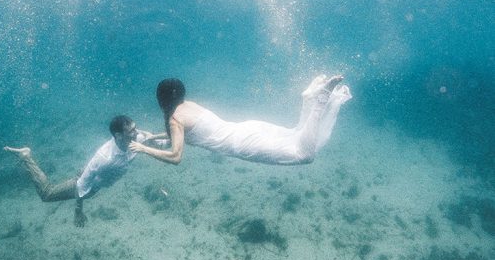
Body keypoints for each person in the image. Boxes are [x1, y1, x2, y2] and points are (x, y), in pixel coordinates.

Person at [129, 75, 352, 167]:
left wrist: (142, 148)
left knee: (304, 155)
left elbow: (176, 156)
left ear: (162, 99)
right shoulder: (187, 106)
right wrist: (153, 136)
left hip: (242, 144)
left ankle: (320, 99)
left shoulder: (175, 119)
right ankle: (309, 99)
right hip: (246, 128)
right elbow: (183, 134)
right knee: (297, 134)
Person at [5, 115, 160, 227]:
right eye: (131, 131)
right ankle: (26, 156)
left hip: (96, 179)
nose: (136, 132)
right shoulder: (105, 158)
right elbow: (81, 186)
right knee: (47, 194)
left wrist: (181, 136)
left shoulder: (136, 139)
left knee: (87, 177)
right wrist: (78, 211)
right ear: (118, 135)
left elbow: (156, 142)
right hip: (88, 183)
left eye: (135, 128)